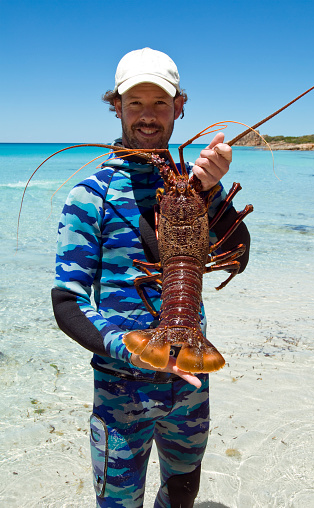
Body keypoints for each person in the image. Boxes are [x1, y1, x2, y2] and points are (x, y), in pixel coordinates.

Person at [52, 47, 250, 508]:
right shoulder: (91, 194)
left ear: (179, 107)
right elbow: (67, 301)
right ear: (115, 106)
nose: (147, 116)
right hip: (120, 393)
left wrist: (214, 191)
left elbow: (237, 256)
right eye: (134, 103)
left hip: (190, 384)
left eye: (159, 103)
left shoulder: (198, 181)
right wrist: (134, 349)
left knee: (183, 492)